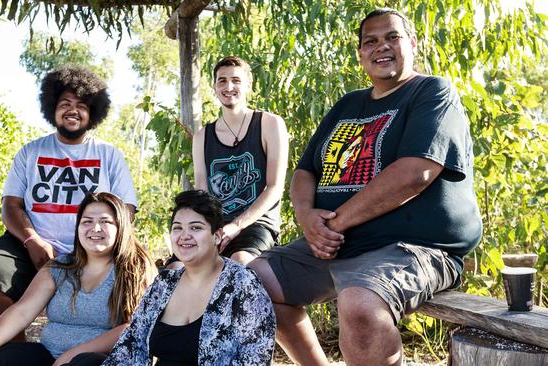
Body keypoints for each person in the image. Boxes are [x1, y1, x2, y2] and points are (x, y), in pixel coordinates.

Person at [248, 8, 483, 366]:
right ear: (360, 53)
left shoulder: (432, 92)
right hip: (338, 244)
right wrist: (306, 216)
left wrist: (333, 224)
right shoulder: (348, 104)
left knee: (360, 307)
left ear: (412, 44)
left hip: (415, 247)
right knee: (249, 283)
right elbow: (306, 170)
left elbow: (415, 173)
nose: (381, 47)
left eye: (392, 37)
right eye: (370, 41)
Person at [0, 66, 138, 340]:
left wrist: (95, 248)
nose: (73, 111)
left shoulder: (109, 155)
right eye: (65, 104)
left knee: (131, 283)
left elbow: (126, 209)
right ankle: (16, 348)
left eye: (81, 105)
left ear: (93, 112)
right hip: (33, 244)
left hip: (94, 245)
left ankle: (96, 352)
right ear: (52, 108)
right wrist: (32, 240)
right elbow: (11, 206)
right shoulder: (31, 152)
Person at [0, 192, 153, 366]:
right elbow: (21, 312)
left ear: (121, 228)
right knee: (4, 358)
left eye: (105, 221)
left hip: (103, 360)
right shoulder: (62, 266)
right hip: (51, 357)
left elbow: (134, 328)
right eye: (87, 221)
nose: (95, 228)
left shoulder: (134, 268)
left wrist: (73, 355)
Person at [102, 190, 276, 365]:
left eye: (196, 227)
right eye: (177, 228)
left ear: (217, 236)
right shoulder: (164, 283)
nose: (184, 236)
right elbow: (132, 345)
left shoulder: (243, 284)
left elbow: (255, 357)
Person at [191, 55, 289, 264]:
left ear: (248, 86)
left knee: (239, 263)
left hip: (255, 225)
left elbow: (274, 188)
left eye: (236, 80)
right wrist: (207, 231)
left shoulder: (269, 124)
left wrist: (236, 226)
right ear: (215, 86)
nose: (229, 86)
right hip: (217, 227)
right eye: (222, 80)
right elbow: (202, 195)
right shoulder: (202, 137)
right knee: (176, 270)